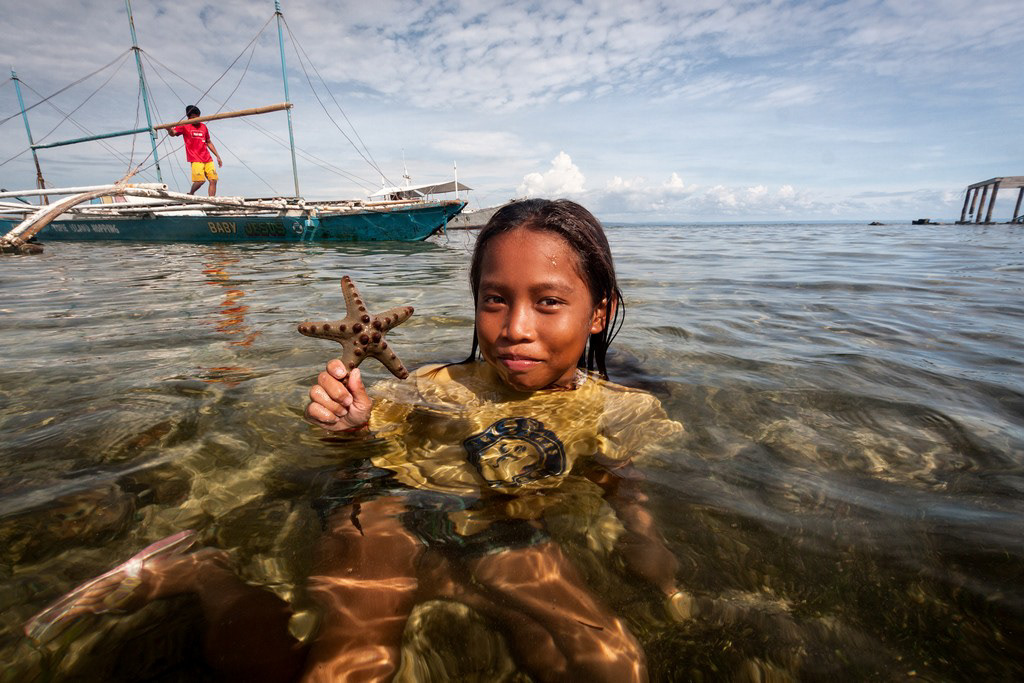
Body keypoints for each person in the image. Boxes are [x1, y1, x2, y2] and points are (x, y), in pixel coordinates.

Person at [26, 199, 687, 682]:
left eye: (547, 301)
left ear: (598, 310)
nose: (514, 325)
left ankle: (453, 584)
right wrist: (346, 424)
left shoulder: (623, 408)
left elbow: (616, 473)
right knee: (345, 671)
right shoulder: (432, 384)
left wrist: (643, 532)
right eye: (494, 299)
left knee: (613, 664)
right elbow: (364, 446)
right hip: (393, 513)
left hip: (502, 536)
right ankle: (207, 573)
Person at [168, 105, 223, 196]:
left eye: (197, 117)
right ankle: (191, 193)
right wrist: (169, 129)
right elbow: (173, 133)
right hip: (195, 158)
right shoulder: (185, 125)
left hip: (207, 158)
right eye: (193, 118)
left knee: (213, 180)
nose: (196, 120)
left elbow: (208, 142)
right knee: (200, 181)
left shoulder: (203, 127)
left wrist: (217, 156)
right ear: (189, 118)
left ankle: (212, 200)